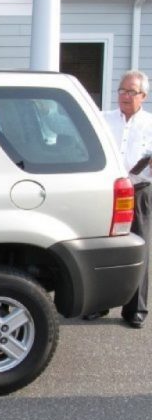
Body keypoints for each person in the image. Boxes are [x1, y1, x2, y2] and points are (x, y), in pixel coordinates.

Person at [84, 70, 152, 328]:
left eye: (131, 91)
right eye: (122, 90)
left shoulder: (150, 123)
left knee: (139, 248)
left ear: (143, 96)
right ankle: (98, 305)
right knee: (103, 249)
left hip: (140, 190)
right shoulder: (103, 119)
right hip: (107, 190)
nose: (124, 95)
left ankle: (135, 310)